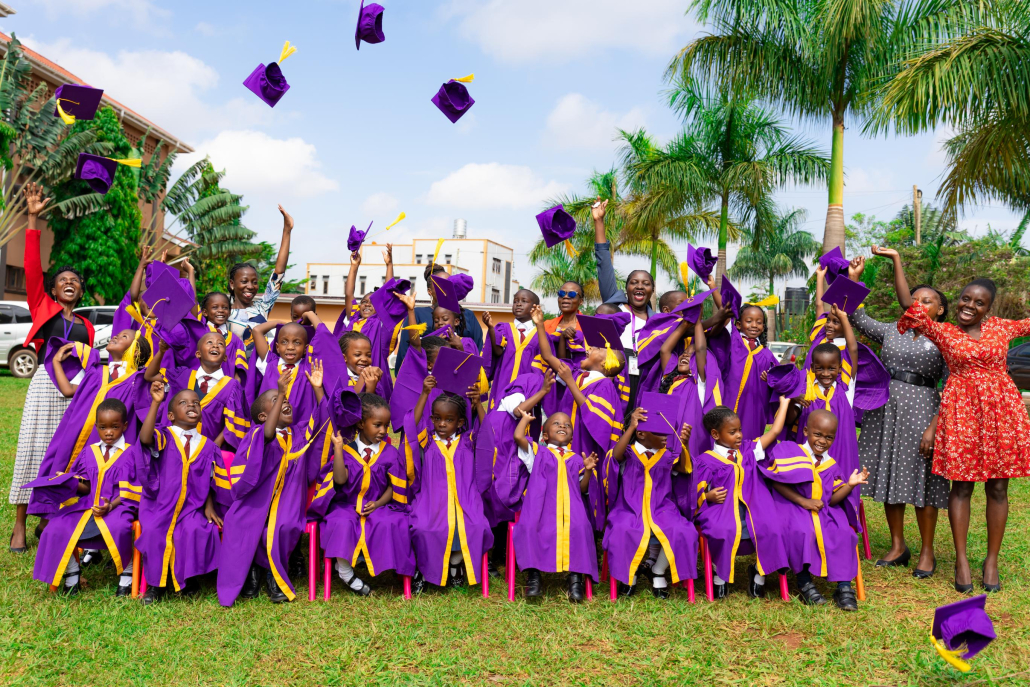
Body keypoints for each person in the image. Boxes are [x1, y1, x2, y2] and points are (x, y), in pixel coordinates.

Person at [898, 276, 1030, 593]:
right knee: (962, 487)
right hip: (962, 412)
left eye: (978, 302)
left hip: (1001, 412)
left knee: (998, 487)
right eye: (966, 298)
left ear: (988, 308)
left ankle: (991, 561)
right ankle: (961, 561)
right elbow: (908, 305)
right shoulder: (943, 331)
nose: (969, 306)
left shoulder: (1001, 328)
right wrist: (895, 258)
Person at [850, 250, 950, 577]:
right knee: (889, 474)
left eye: (927, 301)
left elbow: (951, 387)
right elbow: (857, 317)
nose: (919, 304)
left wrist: (935, 427)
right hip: (885, 408)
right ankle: (897, 546)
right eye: (915, 299)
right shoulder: (893, 330)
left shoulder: (946, 338)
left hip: (923, 410)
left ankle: (927, 552)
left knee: (922, 480)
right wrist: (854, 281)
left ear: (940, 310)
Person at [9, 183, 94, 553]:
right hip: (46, 385)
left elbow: (92, 361)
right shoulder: (42, 307)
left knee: (64, 454)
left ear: (81, 291)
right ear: (54, 290)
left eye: (75, 281)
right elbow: (31, 266)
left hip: (77, 391)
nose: (69, 283)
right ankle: (19, 524)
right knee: (33, 448)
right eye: (63, 281)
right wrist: (32, 218)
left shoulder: (88, 325)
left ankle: (49, 519)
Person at [217, 364, 333, 605]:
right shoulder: (256, 434)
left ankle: (273, 575)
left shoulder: (299, 434)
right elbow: (268, 435)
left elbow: (324, 421)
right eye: (277, 401)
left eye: (286, 400)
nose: (285, 402)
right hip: (257, 500)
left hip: (289, 500)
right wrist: (280, 392)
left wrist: (318, 389)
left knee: (284, 526)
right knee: (239, 523)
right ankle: (251, 571)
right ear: (263, 416)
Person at [29, 399, 140, 596]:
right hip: (87, 504)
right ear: (96, 426)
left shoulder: (132, 453)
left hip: (119, 505)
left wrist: (110, 506)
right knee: (55, 526)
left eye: (114, 427)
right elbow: (86, 486)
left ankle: (127, 570)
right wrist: (67, 482)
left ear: (124, 426)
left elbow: (134, 489)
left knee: (119, 527)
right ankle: (72, 571)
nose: (108, 432)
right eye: (103, 427)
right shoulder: (89, 452)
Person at [764, 410, 869, 610]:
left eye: (828, 437)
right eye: (817, 434)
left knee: (844, 533)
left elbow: (832, 499)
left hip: (822, 511)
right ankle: (804, 582)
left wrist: (850, 485)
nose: (822, 441)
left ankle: (844, 587)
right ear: (806, 431)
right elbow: (777, 482)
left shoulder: (831, 465)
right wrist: (803, 501)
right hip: (793, 507)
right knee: (802, 531)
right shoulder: (792, 454)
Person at [693, 400, 792, 599]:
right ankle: (719, 576)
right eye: (732, 432)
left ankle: (758, 574)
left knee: (772, 527)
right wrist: (707, 495)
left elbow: (774, 431)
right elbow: (694, 490)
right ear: (715, 434)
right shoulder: (706, 460)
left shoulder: (748, 451)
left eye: (739, 430)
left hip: (753, 507)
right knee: (722, 530)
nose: (739, 435)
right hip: (721, 509)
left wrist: (784, 402)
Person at [136, 382, 224, 604]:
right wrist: (156, 403)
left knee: (195, 530)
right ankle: (157, 585)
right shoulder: (163, 436)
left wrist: (209, 505)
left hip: (191, 507)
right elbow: (145, 439)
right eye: (183, 403)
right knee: (155, 532)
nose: (191, 405)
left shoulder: (208, 446)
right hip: (159, 505)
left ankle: (188, 579)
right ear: (171, 415)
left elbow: (211, 479)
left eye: (196, 403)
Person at [320, 394, 415, 596]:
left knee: (391, 522)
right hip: (347, 504)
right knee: (341, 522)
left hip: (379, 505)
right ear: (361, 424)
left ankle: (394, 569)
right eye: (377, 425)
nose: (383, 431)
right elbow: (340, 480)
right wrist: (338, 450)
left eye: (386, 426)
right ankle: (346, 573)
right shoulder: (347, 450)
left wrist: (379, 503)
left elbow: (395, 486)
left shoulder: (390, 453)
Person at [404, 381, 491, 593]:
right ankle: (422, 570)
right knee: (423, 528)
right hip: (432, 501)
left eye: (449, 420)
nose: (442, 424)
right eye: (437, 418)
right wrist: (425, 393)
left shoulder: (468, 441)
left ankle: (454, 567)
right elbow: (411, 427)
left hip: (465, 501)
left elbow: (487, 435)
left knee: (476, 527)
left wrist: (478, 404)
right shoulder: (427, 441)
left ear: (460, 422)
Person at [602, 407, 696, 599]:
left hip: (662, 509)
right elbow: (615, 457)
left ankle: (658, 571)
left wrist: (684, 444)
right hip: (629, 509)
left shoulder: (667, 456)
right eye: (660, 433)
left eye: (667, 433)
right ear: (641, 434)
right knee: (621, 530)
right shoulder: (628, 453)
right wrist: (631, 427)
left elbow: (685, 468)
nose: (666, 437)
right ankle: (630, 575)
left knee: (683, 531)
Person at [511, 412, 598, 602]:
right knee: (529, 528)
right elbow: (518, 437)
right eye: (556, 423)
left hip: (571, 510)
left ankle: (575, 579)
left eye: (567, 425)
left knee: (580, 528)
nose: (562, 426)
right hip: (540, 509)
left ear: (572, 437)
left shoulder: (577, 459)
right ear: (545, 435)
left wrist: (588, 470)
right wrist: (525, 419)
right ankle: (534, 577)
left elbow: (582, 488)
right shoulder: (537, 453)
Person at [592, 199, 654, 408]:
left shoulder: (658, 323)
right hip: (614, 373)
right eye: (634, 282)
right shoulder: (615, 307)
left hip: (645, 378)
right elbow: (603, 264)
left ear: (652, 290)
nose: (639, 286)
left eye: (645, 283)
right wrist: (599, 222)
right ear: (626, 288)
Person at [225, 205, 294, 352]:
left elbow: (278, 273)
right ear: (232, 284)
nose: (250, 286)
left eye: (254, 282)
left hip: (263, 366)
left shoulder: (262, 307)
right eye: (244, 281)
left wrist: (287, 230)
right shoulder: (222, 312)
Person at [393, 262, 483, 374]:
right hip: (428, 376)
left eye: (449, 284)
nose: (446, 289)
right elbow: (407, 349)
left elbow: (478, 348)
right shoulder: (417, 314)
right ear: (429, 291)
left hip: (461, 373)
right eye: (441, 285)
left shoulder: (467, 315)